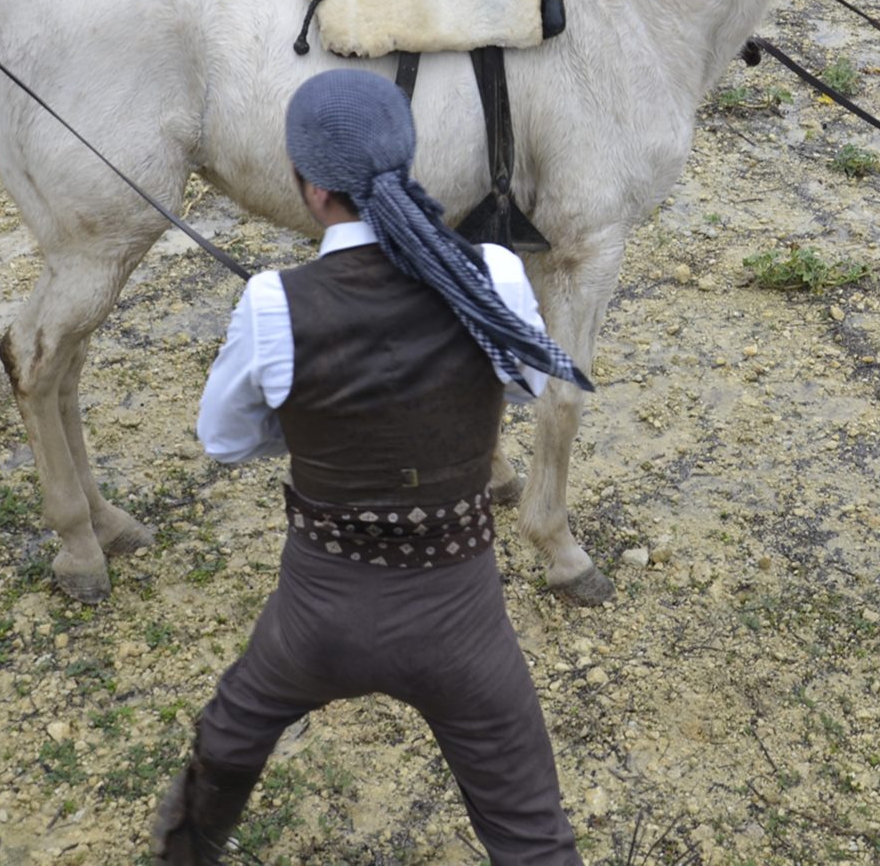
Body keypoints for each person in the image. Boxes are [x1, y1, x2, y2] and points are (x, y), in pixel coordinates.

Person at [154, 68, 590, 865]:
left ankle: (188, 851)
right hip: (463, 625)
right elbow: (531, 384)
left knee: (229, 736)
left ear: (308, 187)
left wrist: (321, 427)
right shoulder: (490, 275)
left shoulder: (271, 303)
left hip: (315, 619)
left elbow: (223, 439)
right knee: (533, 833)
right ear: (407, 161)